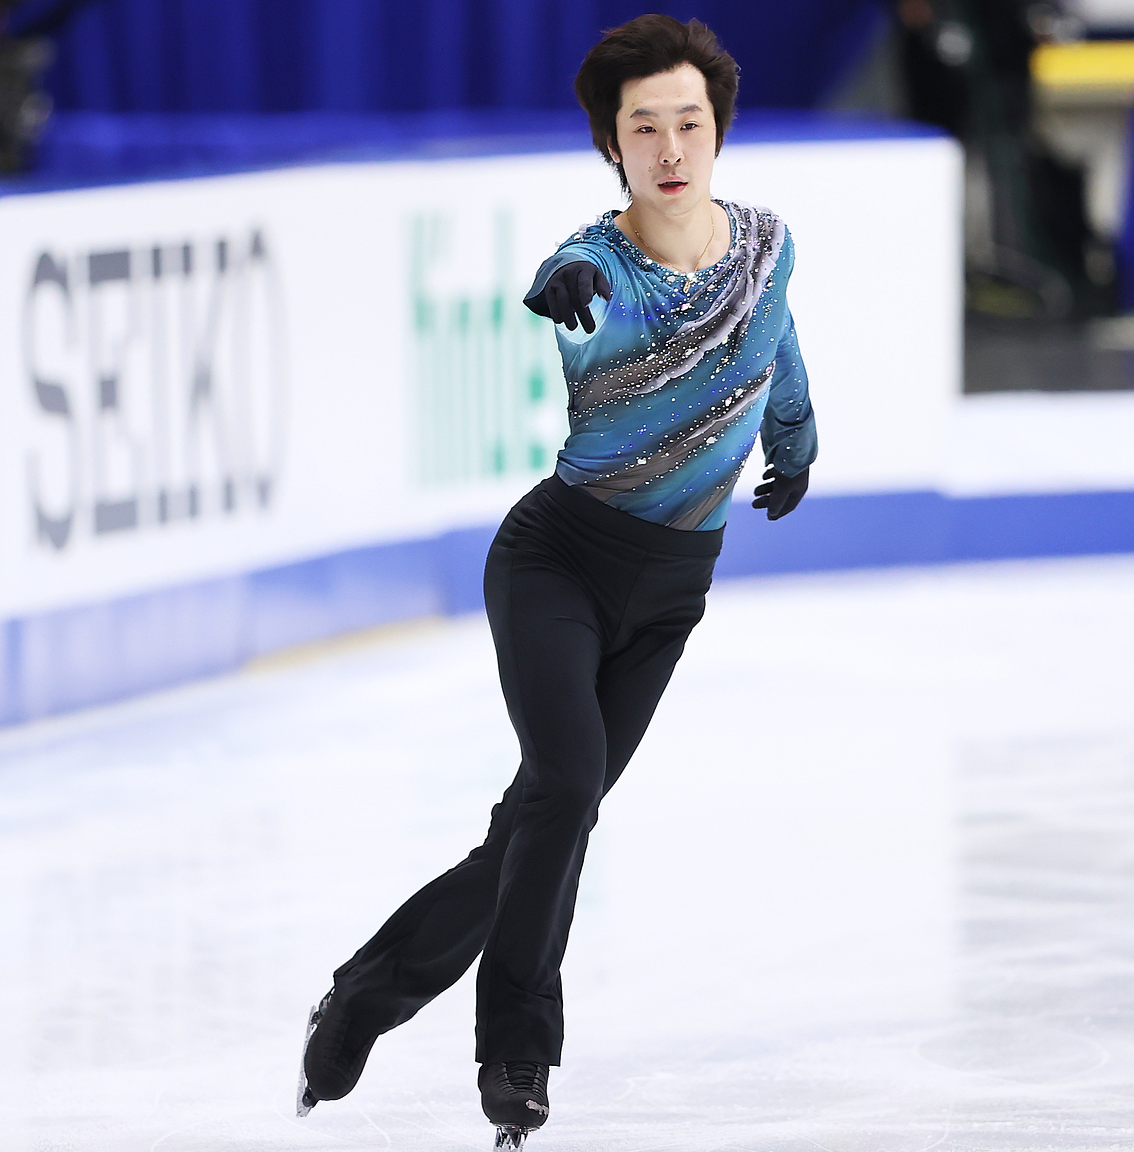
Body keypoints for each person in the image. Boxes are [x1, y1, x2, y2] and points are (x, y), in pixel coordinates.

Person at [295, 14, 816, 1149]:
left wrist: (795, 437)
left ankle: (363, 997)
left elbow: (775, 337)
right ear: (613, 147)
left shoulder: (768, 245)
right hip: (557, 564)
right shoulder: (598, 265)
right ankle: (516, 1055)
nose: (670, 147)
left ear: (715, 129)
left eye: (687, 122)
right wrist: (568, 276)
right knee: (566, 783)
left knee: (540, 821)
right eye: (644, 129)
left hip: (674, 588)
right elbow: (566, 280)